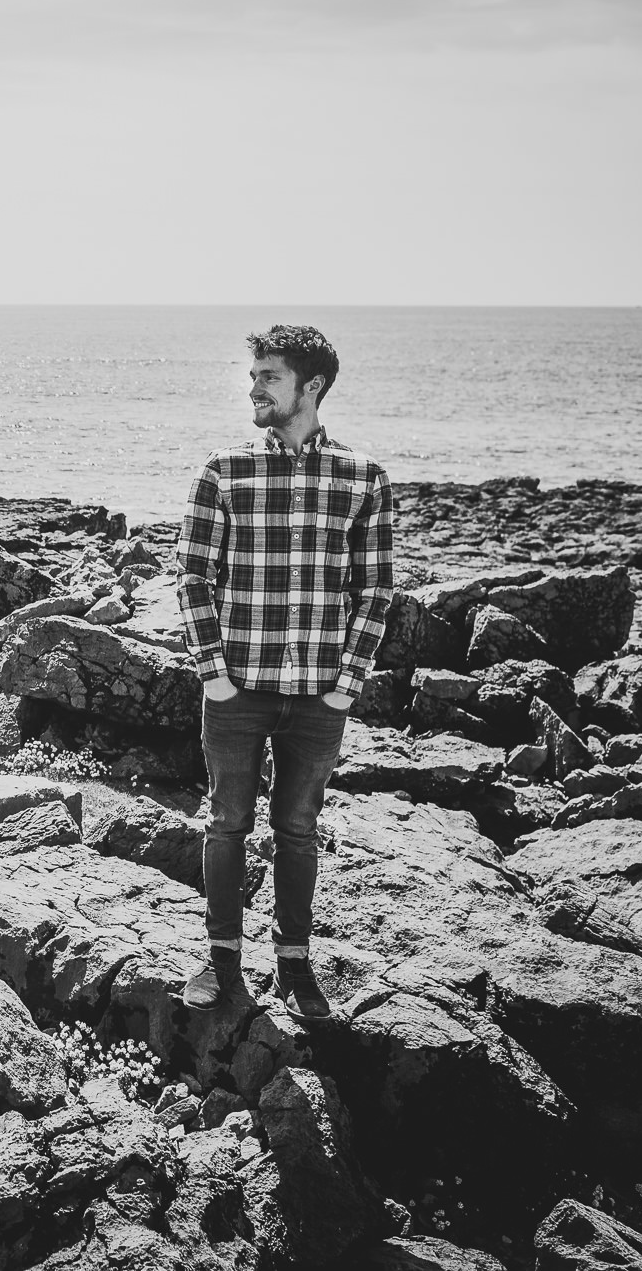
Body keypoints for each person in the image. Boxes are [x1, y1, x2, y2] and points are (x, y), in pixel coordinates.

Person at [174, 325, 393, 1020]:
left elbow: (377, 589)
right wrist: (213, 673)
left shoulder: (363, 478)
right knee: (227, 823)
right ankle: (222, 960)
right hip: (235, 691)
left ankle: (295, 964)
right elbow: (191, 577)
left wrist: (345, 685)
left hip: (320, 697)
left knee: (298, 828)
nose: (253, 387)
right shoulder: (224, 470)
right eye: (254, 374)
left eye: (268, 375)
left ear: (312, 386)